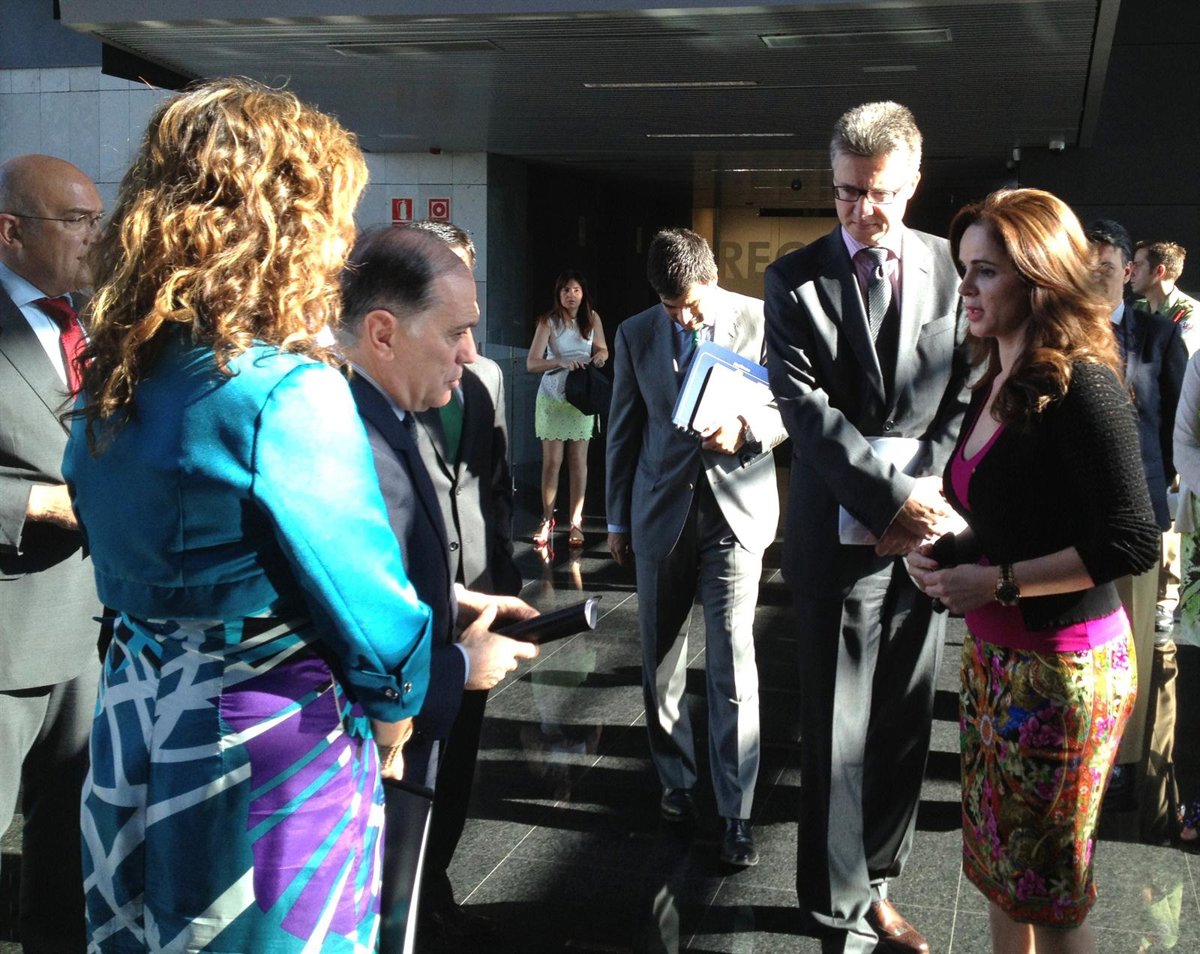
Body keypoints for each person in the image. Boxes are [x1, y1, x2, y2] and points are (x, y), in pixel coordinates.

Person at [63, 78, 434, 952]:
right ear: (288, 223)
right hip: (266, 739)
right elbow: (371, 607)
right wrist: (397, 711)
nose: (342, 242)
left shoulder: (120, 371)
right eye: (335, 215)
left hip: (134, 713)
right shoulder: (283, 390)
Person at [908, 187, 1160, 953]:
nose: (965, 287)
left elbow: (1131, 541)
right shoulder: (997, 377)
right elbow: (1011, 517)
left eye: (985, 271)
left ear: (1039, 278)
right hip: (994, 661)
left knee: (1047, 892)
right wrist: (944, 555)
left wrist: (999, 582)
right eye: (963, 268)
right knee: (998, 871)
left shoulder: (1083, 384)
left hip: (1062, 673)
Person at [763, 101, 971, 954]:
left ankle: (880, 879)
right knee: (834, 732)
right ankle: (833, 903)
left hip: (926, 542)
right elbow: (806, 413)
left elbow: (966, 390)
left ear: (912, 183)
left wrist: (923, 503)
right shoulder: (793, 279)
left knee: (903, 726)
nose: (861, 210)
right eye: (847, 192)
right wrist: (892, 502)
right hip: (837, 542)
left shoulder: (952, 269)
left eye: (879, 193)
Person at [337, 224, 538, 951]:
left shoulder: (396, 408)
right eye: (455, 332)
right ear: (383, 332)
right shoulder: (343, 431)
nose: (470, 353)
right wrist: (450, 665)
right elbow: (351, 610)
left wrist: (459, 599)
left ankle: (429, 900)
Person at [605, 227, 786, 867]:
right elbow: (622, 428)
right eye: (669, 307)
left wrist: (746, 429)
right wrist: (616, 521)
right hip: (661, 511)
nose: (682, 317)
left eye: (691, 305)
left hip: (735, 512)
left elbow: (788, 403)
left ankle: (736, 812)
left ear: (713, 278)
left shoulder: (761, 319)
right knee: (661, 659)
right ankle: (676, 783)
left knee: (733, 660)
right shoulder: (635, 333)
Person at [406, 219, 526, 949]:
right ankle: (405, 900)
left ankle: (436, 886)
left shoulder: (483, 380)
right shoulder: (373, 383)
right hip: (410, 606)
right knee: (410, 762)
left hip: (477, 596)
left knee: (459, 765)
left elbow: (494, 483)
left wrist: (503, 573)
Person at [0, 153, 104, 953]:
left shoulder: (95, 323)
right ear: (10, 231)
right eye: (74, 221)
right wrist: (32, 503)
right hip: (8, 635)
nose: (92, 237)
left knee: (70, 846)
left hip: (92, 629)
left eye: (96, 219)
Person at [1086, 219, 1187, 807]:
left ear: (1128, 272)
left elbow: (1175, 420)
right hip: (1070, 514)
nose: (1093, 278)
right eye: (1084, 268)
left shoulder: (1158, 335)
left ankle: (1122, 760)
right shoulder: (1057, 331)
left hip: (1138, 513)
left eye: (1104, 268)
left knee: (1131, 638)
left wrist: (1163, 485)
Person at [527, 269, 608, 549]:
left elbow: (603, 349)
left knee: (578, 462)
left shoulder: (592, 318)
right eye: (565, 290)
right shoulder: (548, 322)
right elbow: (532, 363)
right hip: (553, 397)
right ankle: (546, 518)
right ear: (558, 294)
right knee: (552, 462)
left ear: (582, 293)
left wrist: (599, 357)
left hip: (581, 398)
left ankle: (576, 523)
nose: (571, 295)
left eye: (575, 290)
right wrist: (559, 362)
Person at [1132, 240, 1199, 354]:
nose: (1131, 272)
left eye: (1138, 265)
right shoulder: (1136, 308)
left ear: (1159, 270)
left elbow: (1177, 356)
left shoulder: (1192, 312)